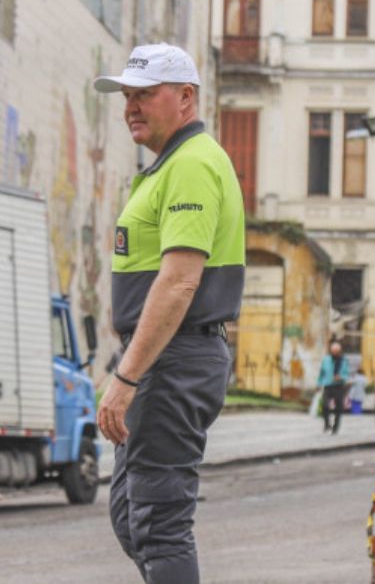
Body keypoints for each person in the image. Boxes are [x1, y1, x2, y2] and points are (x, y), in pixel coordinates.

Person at [94, 43, 245, 584]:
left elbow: (180, 281)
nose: (131, 106)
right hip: (164, 356)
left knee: (158, 523)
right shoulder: (169, 167)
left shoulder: (193, 164)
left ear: (185, 97)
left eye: (145, 95)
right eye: (127, 96)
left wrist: (127, 376)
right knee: (131, 516)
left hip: (175, 356)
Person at [317, 341, 351, 433]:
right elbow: (321, 372)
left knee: (338, 408)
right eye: (333, 351)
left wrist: (341, 377)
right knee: (324, 405)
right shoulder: (326, 360)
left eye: (337, 351)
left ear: (340, 351)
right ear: (331, 351)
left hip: (339, 386)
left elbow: (347, 374)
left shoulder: (344, 361)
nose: (335, 352)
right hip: (327, 385)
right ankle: (327, 424)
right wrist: (319, 384)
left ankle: (335, 427)